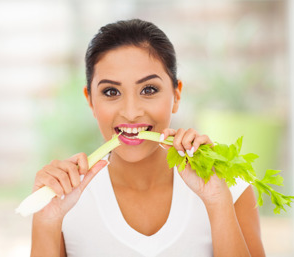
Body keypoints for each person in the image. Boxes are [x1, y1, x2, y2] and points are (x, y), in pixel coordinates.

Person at [31, 19, 265, 257]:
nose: (131, 112)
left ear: (176, 94)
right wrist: (46, 222)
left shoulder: (228, 189)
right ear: (90, 100)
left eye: (149, 90)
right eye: (111, 92)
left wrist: (218, 203)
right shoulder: (62, 201)